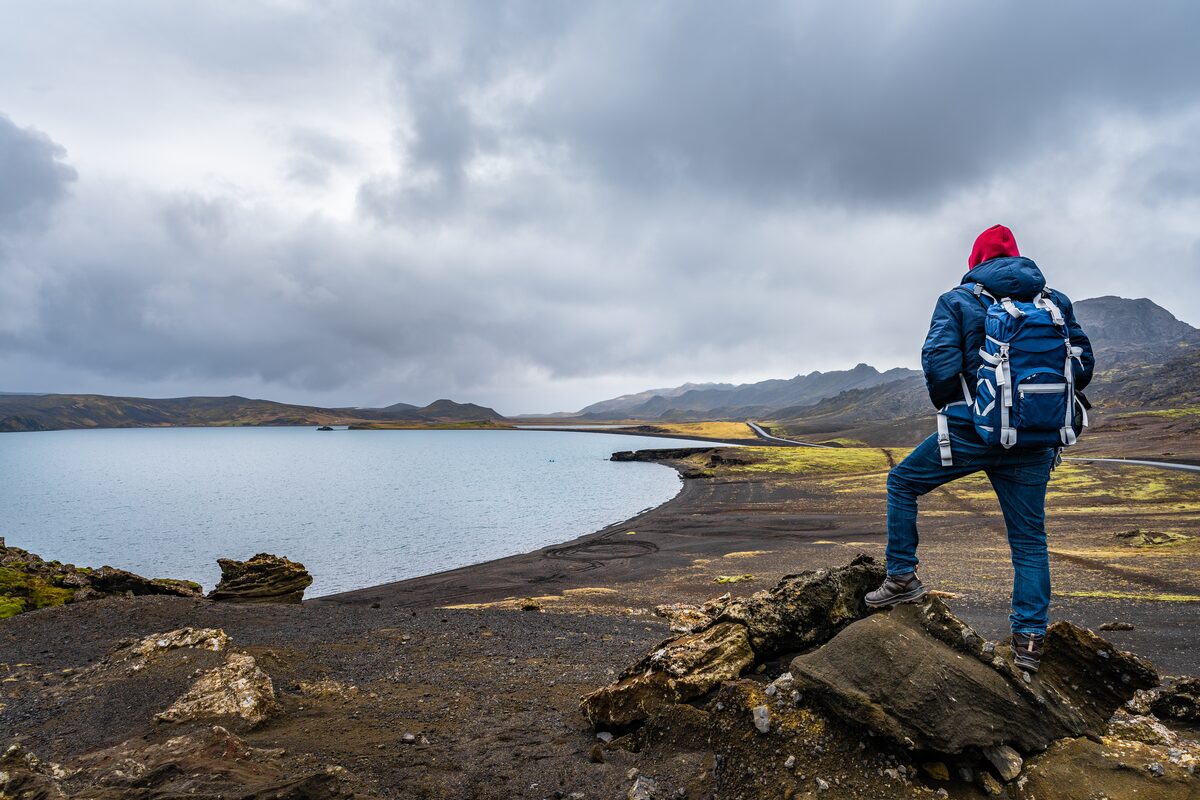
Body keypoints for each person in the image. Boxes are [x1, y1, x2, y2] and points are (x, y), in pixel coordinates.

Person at [863, 224, 1094, 672]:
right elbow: (1082, 365)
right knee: (1029, 541)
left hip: (971, 431)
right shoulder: (1054, 302)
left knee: (902, 482)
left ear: (976, 262)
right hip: (1034, 442)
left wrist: (961, 410)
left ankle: (902, 577)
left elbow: (939, 363)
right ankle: (1028, 641)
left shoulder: (958, 299)